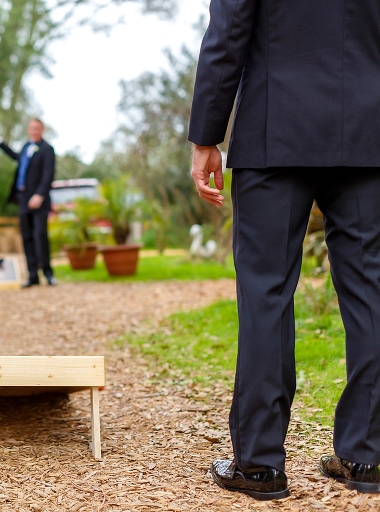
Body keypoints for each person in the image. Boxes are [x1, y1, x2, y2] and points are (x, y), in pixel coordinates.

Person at [190, 0, 380, 500]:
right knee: (372, 293)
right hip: (368, 132)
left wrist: (207, 135)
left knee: (266, 293)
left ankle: (258, 464)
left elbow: (228, 35)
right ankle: (369, 453)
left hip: (275, 130)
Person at [0, 119, 57, 287]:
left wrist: (39, 195)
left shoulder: (47, 149)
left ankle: (48, 273)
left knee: (40, 235)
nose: (34, 130)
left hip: (39, 200)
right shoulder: (26, 147)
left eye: (37, 128)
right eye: (31, 128)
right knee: (27, 237)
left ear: (42, 130)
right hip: (23, 198)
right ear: (28, 129)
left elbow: (48, 174)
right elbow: (15, 156)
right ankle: (33, 275)